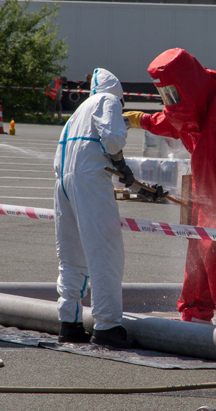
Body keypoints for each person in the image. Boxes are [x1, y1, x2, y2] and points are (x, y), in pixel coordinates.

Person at [123, 49, 216, 328]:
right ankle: (194, 313)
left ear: (186, 85)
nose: (170, 102)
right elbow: (171, 123)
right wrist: (142, 119)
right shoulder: (192, 107)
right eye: (166, 95)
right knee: (198, 257)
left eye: (172, 94)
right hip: (203, 199)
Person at [54, 68, 138, 349]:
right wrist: (121, 163)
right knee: (105, 252)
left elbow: (82, 149)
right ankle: (107, 326)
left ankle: (70, 324)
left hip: (63, 182)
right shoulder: (108, 100)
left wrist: (117, 167)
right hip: (89, 182)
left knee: (72, 256)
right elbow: (112, 139)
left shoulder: (79, 111)